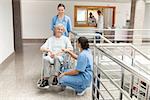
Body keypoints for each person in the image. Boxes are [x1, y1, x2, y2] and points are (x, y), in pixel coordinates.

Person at [37, 23, 73, 89]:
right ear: (55, 30)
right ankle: (46, 79)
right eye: (58, 29)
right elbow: (41, 48)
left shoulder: (65, 39)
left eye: (61, 29)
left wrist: (63, 50)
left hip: (61, 57)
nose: (60, 31)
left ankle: (56, 77)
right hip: (51, 56)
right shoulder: (50, 39)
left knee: (57, 58)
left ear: (63, 31)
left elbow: (70, 48)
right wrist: (49, 51)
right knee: (45, 59)